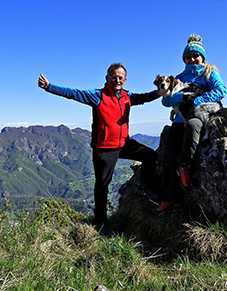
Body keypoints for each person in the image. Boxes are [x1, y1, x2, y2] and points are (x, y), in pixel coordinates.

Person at [38, 63, 163, 229]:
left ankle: (143, 186)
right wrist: (49, 87)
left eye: (120, 77)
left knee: (150, 156)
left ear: (125, 80)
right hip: (104, 148)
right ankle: (100, 222)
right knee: (102, 185)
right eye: (114, 76)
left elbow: (145, 97)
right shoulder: (98, 95)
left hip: (124, 143)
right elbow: (73, 94)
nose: (117, 80)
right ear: (107, 78)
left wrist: (160, 92)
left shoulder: (127, 97)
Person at [154, 34, 227, 213]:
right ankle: (168, 198)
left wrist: (196, 100)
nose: (192, 59)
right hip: (180, 119)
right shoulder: (177, 78)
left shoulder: (209, 73)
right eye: (188, 56)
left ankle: (185, 166)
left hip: (199, 116)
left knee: (193, 126)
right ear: (184, 59)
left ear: (202, 57)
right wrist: (183, 96)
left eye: (196, 55)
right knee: (168, 152)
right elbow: (165, 100)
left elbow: (221, 90)